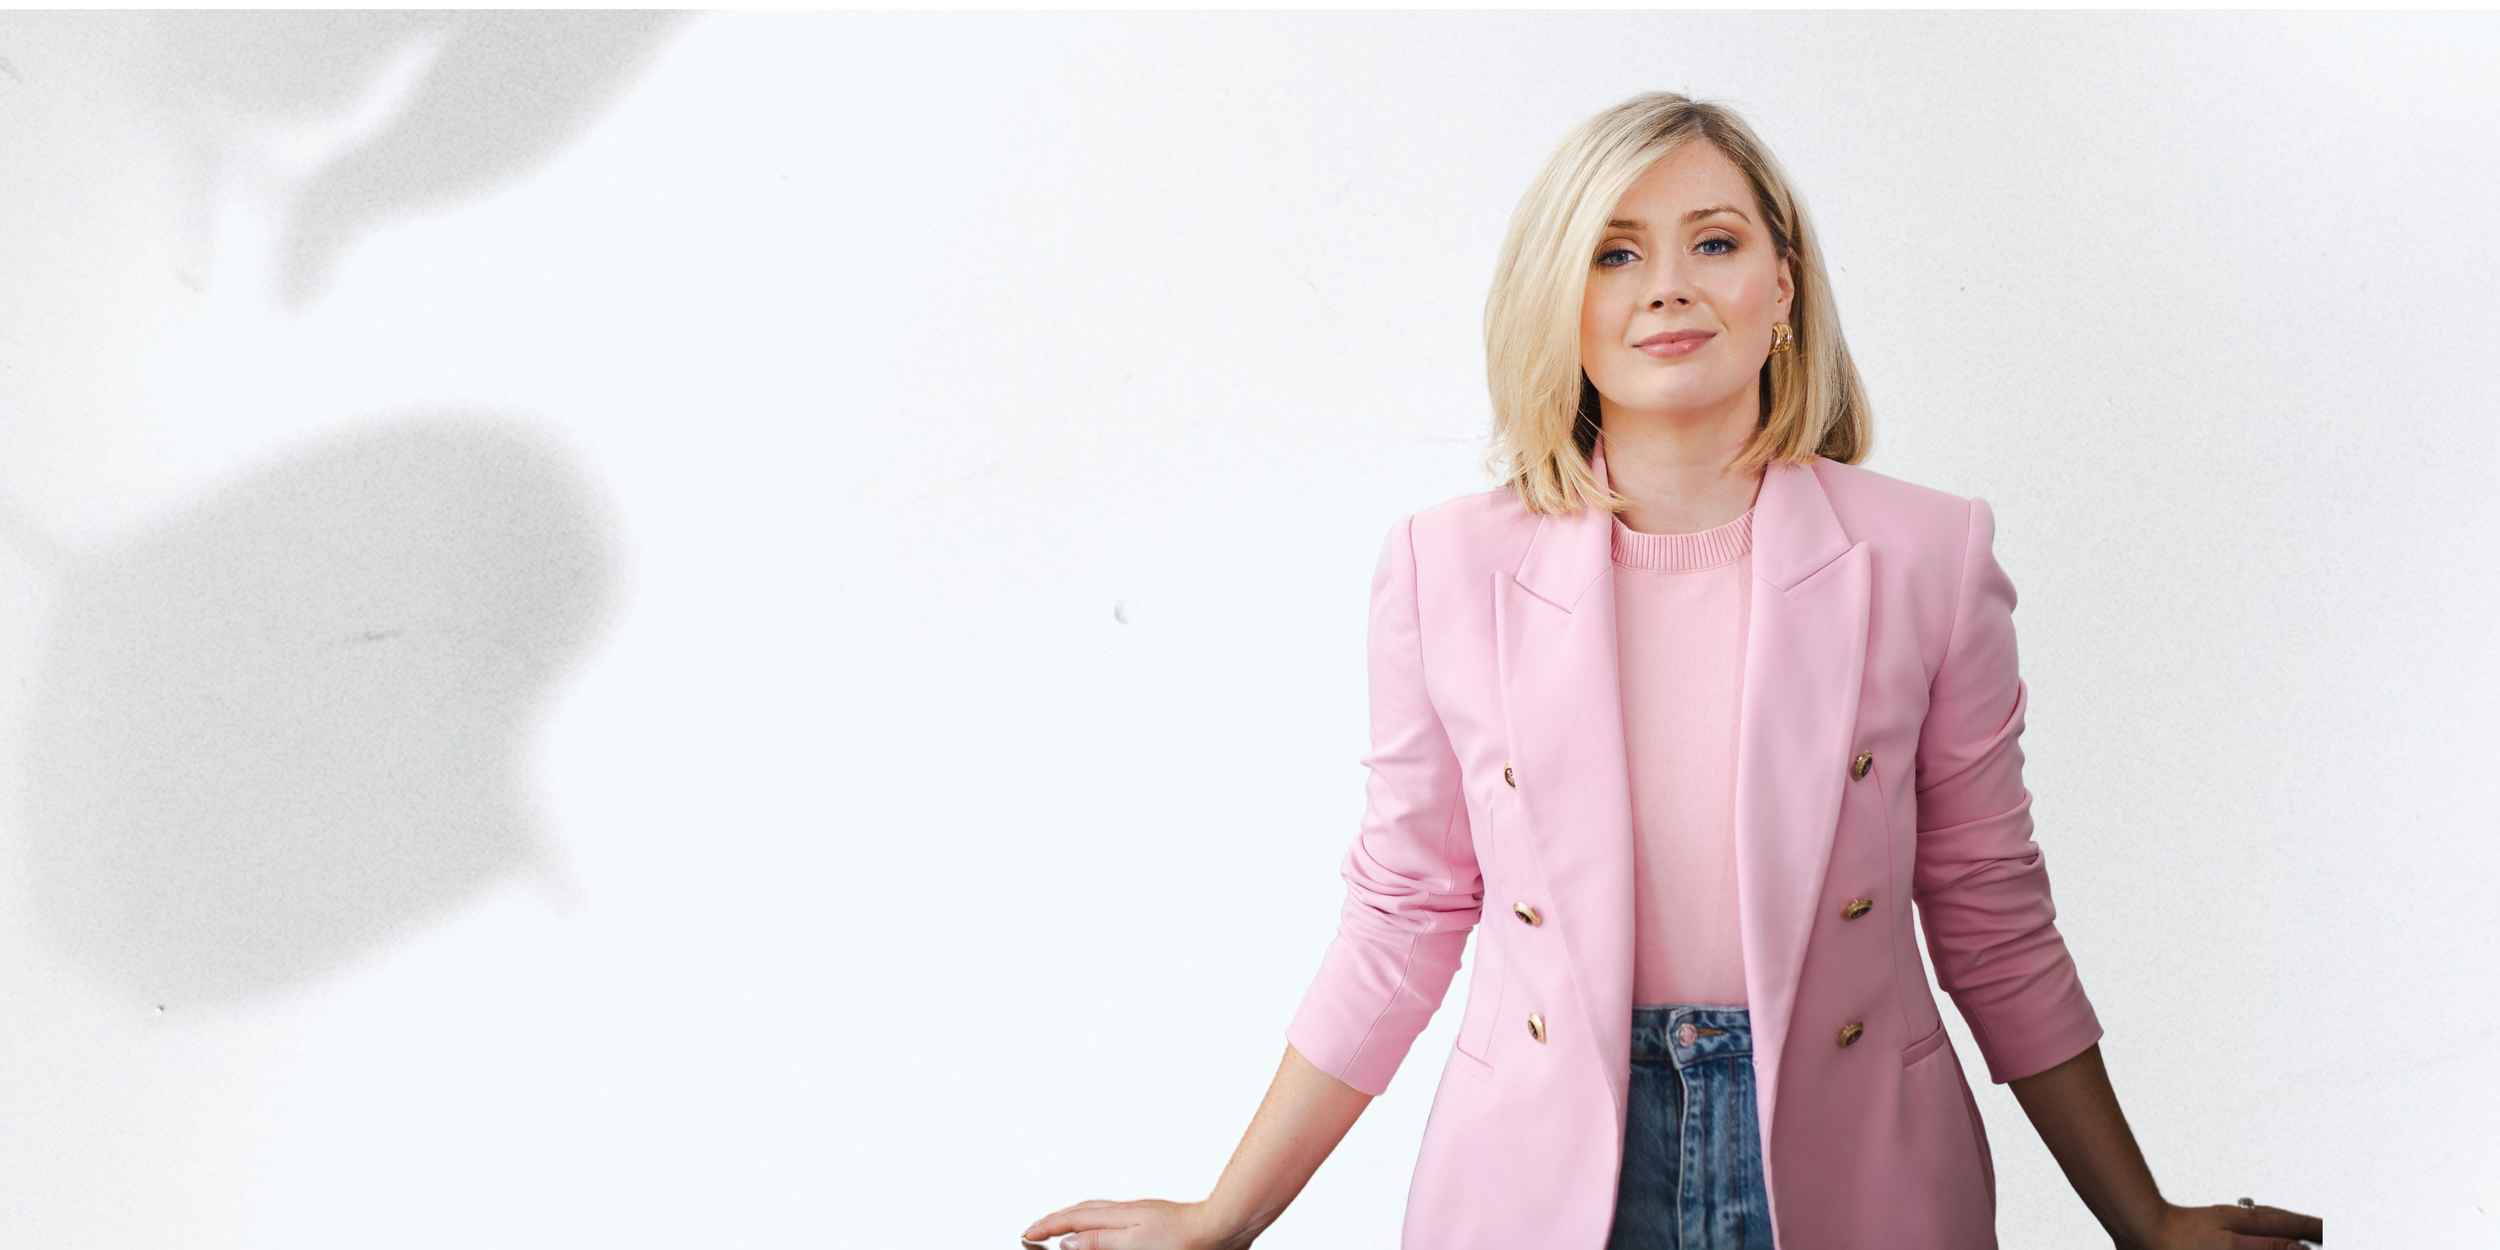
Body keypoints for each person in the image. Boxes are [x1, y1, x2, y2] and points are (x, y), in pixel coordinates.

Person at [1022, 92, 2324, 1250]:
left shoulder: (1929, 555)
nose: (1668, 285)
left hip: (1857, 1156)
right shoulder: (1442, 568)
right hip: (1537, 1173)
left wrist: (2142, 1220)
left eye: (1715, 241)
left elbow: (1988, 904)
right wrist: (1221, 1216)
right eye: (1614, 251)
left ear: (1783, 286)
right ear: (1559, 298)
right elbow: (1404, 910)